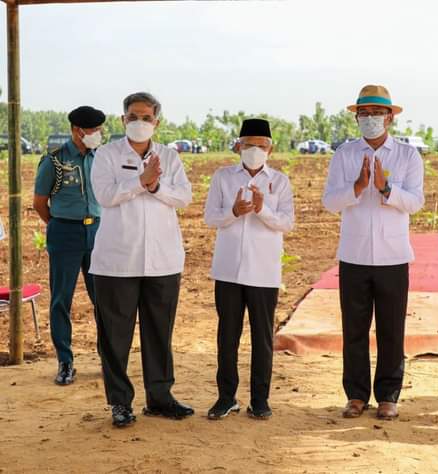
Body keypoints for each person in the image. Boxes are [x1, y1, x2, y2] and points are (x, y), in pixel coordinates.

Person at [90, 92, 193, 428]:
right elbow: (105, 195)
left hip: (163, 260)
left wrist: (155, 188)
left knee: (159, 332)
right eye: (133, 116)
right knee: (115, 336)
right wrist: (139, 181)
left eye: (146, 118)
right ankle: (120, 402)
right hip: (117, 261)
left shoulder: (169, 157)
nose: (140, 122)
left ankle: (160, 397)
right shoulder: (106, 155)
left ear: (156, 122)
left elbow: (184, 197)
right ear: (123, 120)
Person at [322, 84, 424, 420]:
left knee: (391, 329)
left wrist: (385, 188)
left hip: (393, 256)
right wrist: (356, 187)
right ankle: (356, 395)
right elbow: (330, 201)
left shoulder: (408, 156)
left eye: (377, 113)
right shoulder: (344, 155)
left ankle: (388, 396)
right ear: (356, 118)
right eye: (364, 113)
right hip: (354, 255)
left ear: (390, 117)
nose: (370, 119)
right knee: (354, 329)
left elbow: (416, 202)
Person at [204, 118, 295, 420]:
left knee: (262, 338)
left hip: (263, 271)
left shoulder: (279, 181)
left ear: (270, 149)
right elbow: (210, 217)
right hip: (228, 269)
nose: (254, 150)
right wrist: (233, 211)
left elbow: (287, 222)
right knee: (227, 336)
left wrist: (261, 209)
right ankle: (226, 397)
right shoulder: (223, 177)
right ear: (237, 146)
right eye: (248, 145)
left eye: (260, 145)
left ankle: (260, 400)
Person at [33, 106, 105, 385]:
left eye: (100, 129)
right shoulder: (55, 161)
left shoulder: (101, 159)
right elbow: (40, 203)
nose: (98, 134)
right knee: (61, 300)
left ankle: (108, 358)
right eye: (93, 129)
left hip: (97, 232)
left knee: (104, 299)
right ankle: (65, 361)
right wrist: (59, 225)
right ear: (77, 130)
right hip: (65, 233)